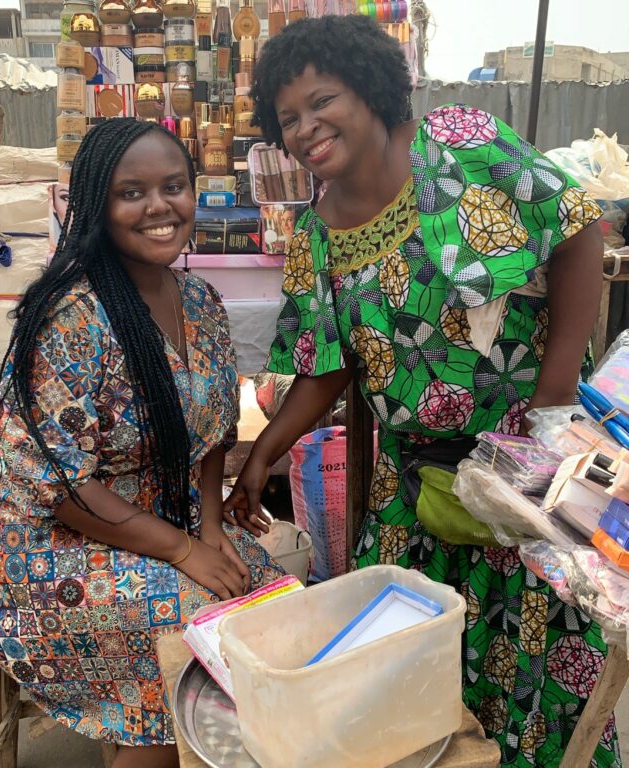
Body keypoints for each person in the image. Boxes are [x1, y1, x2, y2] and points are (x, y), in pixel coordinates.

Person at [223, 15, 615, 768]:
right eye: (288, 119)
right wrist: (261, 454)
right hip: (415, 494)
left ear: (370, 88)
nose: (306, 128)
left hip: (529, 473)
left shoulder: (462, 144)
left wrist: (556, 397)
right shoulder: (317, 234)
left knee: (539, 668)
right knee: (408, 682)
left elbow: (574, 231)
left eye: (322, 101)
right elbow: (325, 367)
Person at [0, 118, 282, 768]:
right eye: (133, 192)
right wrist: (184, 550)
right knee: (191, 626)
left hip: (157, 519)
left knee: (266, 595)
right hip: (39, 545)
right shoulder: (70, 319)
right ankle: (156, 741)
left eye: (174, 186)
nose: (159, 207)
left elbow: (214, 429)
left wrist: (210, 528)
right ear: (98, 205)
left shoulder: (201, 301)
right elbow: (64, 489)